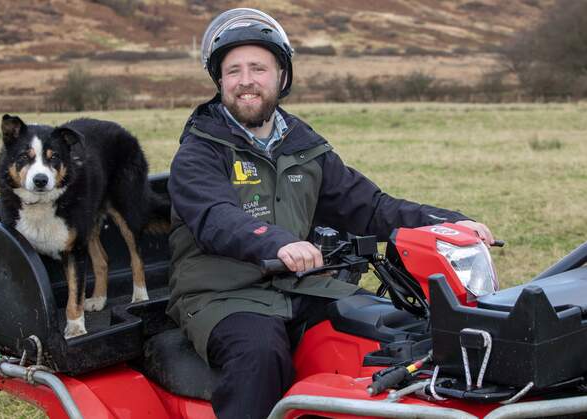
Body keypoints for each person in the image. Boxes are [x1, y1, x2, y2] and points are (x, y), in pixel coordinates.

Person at [166, 8, 495, 418]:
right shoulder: (199, 151)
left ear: (282, 76)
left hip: (301, 285)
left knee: (389, 328)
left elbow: (370, 206)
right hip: (222, 294)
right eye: (233, 71)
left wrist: (445, 222)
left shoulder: (302, 146)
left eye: (258, 68)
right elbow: (215, 218)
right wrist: (278, 243)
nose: (245, 81)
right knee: (258, 355)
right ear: (220, 81)